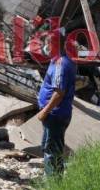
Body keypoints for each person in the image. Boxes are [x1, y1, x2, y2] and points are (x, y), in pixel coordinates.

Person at [36, 30, 76, 175]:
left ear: (53, 44)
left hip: (55, 114)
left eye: (47, 43)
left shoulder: (61, 64)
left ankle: (53, 182)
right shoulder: (57, 61)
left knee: (52, 151)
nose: (44, 47)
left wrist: (44, 111)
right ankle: (54, 179)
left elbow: (59, 92)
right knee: (51, 149)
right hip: (54, 114)